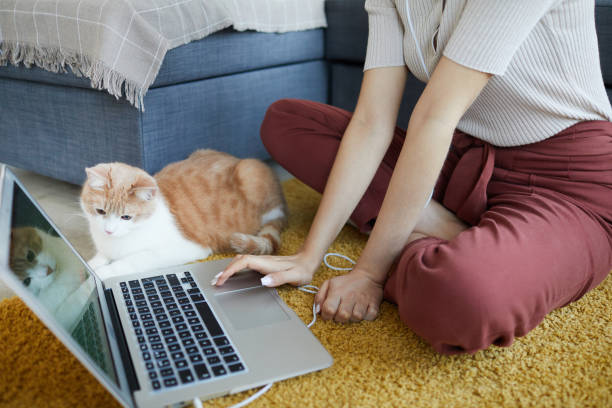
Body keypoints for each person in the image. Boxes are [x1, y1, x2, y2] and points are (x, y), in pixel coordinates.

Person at [215, 0, 612, 354]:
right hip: (458, 159)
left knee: (463, 296)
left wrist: (370, 272)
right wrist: (308, 257)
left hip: (566, 182)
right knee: (289, 122)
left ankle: (440, 240)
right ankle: (441, 223)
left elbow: (435, 116)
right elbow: (372, 121)